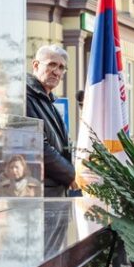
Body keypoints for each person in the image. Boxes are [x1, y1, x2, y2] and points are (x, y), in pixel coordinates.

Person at [26, 45, 76, 197]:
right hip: (40, 192)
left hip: (55, 192)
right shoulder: (25, 97)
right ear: (36, 65)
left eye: (61, 67)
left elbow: (63, 147)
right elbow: (39, 147)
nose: (57, 72)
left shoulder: (48, 101)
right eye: (52, 64)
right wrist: (71, 175)